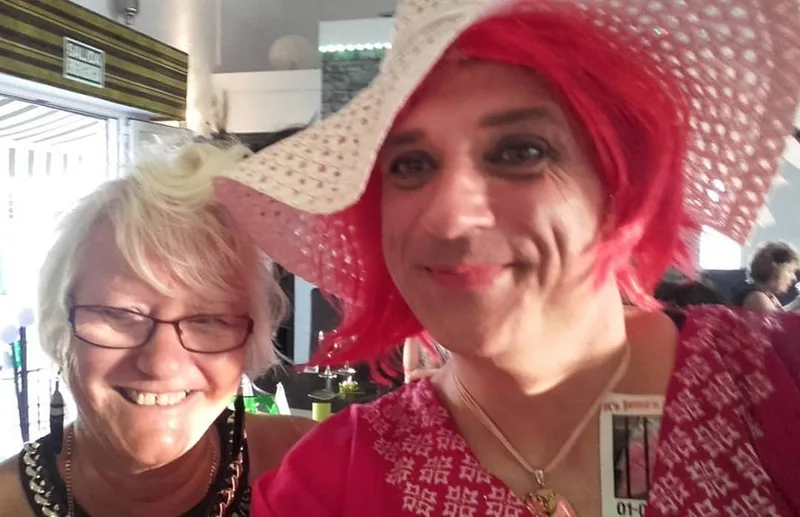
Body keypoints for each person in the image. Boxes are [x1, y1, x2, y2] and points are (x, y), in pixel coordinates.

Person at [215, 0, 800, 515]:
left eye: (520, 151)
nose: (450, 217)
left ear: (620, 184)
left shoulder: (776, 378)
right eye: (410, 165)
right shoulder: (329, 483)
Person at [0, 143, 315, 517]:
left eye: (209, 321)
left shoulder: (322, 468)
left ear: (250, 342)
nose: (161, 364)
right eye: (119, 315)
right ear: (59, 329)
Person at [734, 241, 799, 312]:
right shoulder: (757, 297)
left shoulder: (769, 296)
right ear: (774, 270)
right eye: (790, 271)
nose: (794, 278)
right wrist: (796, 304)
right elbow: (775, 319)